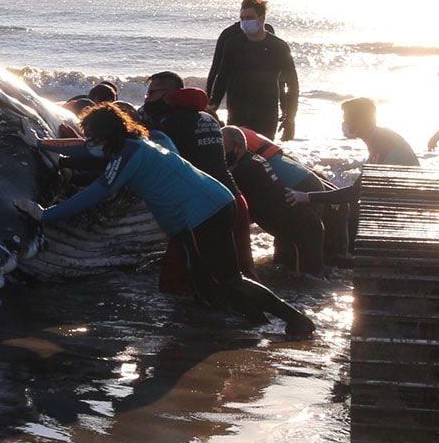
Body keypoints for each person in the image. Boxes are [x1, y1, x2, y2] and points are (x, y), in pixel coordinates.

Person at [16, 103, 316, 336]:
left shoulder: (128, 156)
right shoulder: (132, 141)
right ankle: (254, 321)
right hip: (202, 208)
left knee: (228, 277)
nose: (91, 140)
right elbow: (85, 146)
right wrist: (42, 143)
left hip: (207, 210)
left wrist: (44, 214)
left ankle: (296, 320)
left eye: (94, 134)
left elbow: (94, 193)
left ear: (107, 133)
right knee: (199, 271)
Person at [222, 127, 326, 275]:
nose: (220, 154)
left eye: (223, 149)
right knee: (291, 272)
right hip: (301, 223)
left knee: (306, 280)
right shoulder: (254, 159)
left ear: (238, 148)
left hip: (303, 230)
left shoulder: (243, 171)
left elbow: (240, 211)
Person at [205, 0, 299, 139]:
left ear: (261, 19)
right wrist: (212, 106)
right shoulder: (233, 44)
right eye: (242, 18)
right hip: (237, 110)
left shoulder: (278, 46)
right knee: (236, 154)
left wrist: (290, 117)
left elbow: (292, 84)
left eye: (249, 18)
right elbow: (221, 77)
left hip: (266, 111)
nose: (244, 22)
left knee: (263, 156)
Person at [340, 97, 419, 166]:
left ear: (361, 122)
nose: (344, 124)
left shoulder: (383, 144)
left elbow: (374, 178)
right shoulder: (378, 137)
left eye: (347, 121)